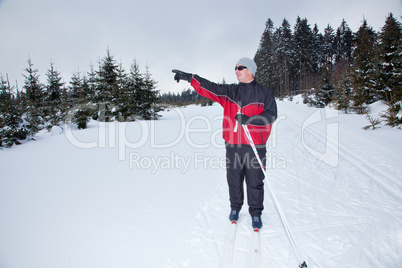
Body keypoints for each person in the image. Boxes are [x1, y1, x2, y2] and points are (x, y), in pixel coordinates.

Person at [172, 57, 277, 229]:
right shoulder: (230, 92)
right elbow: (210, 88)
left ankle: (256, 213)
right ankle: (235, 208)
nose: (236, 71)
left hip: (255, 145)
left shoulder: (263, 92)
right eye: (235, 68)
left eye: (240, 68)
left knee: (255, 180)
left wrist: (250, 119)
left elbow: (271, 115)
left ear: (250, 70)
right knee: (234, 179)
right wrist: (190, 77)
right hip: (233, 145)